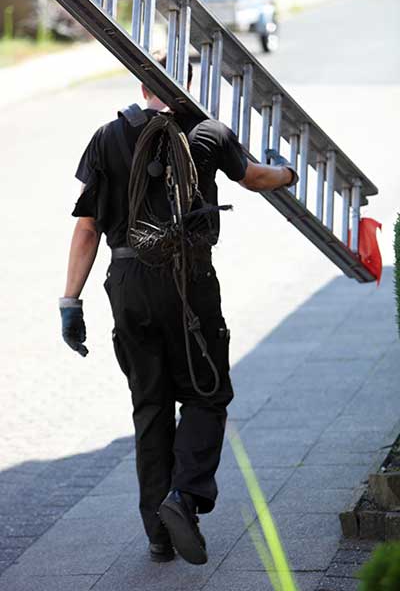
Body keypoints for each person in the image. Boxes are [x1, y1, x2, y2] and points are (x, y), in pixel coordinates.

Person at [59, 53, 297, 566]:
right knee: (207, 393)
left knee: (150, 407)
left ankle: (158, 535)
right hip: (187, 281)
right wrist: (288, 171)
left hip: (126, 283)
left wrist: (70, 300)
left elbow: (87, 227)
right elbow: (254, 178)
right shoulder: (208, 132)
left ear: (141, 86)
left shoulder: (106, 137)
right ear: (185, 82)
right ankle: (183, 499)